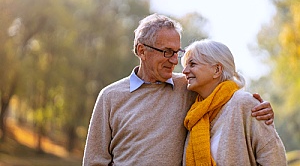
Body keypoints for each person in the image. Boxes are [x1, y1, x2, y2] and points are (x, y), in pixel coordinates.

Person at [82, 13, 274, 166]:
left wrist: (259, 108)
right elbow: (94, 161)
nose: (175, 60)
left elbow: (224, 91)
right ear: (142, 51)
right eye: (167, 52)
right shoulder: (110, 96)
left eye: (177, 52)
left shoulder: (188, 87)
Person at [181, 39, 287, 166]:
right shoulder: (195, 113)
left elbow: (274, 158)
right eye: (185, 66)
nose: (184, 71)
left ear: (217, 70)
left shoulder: (245, 103)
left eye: (192, 64)